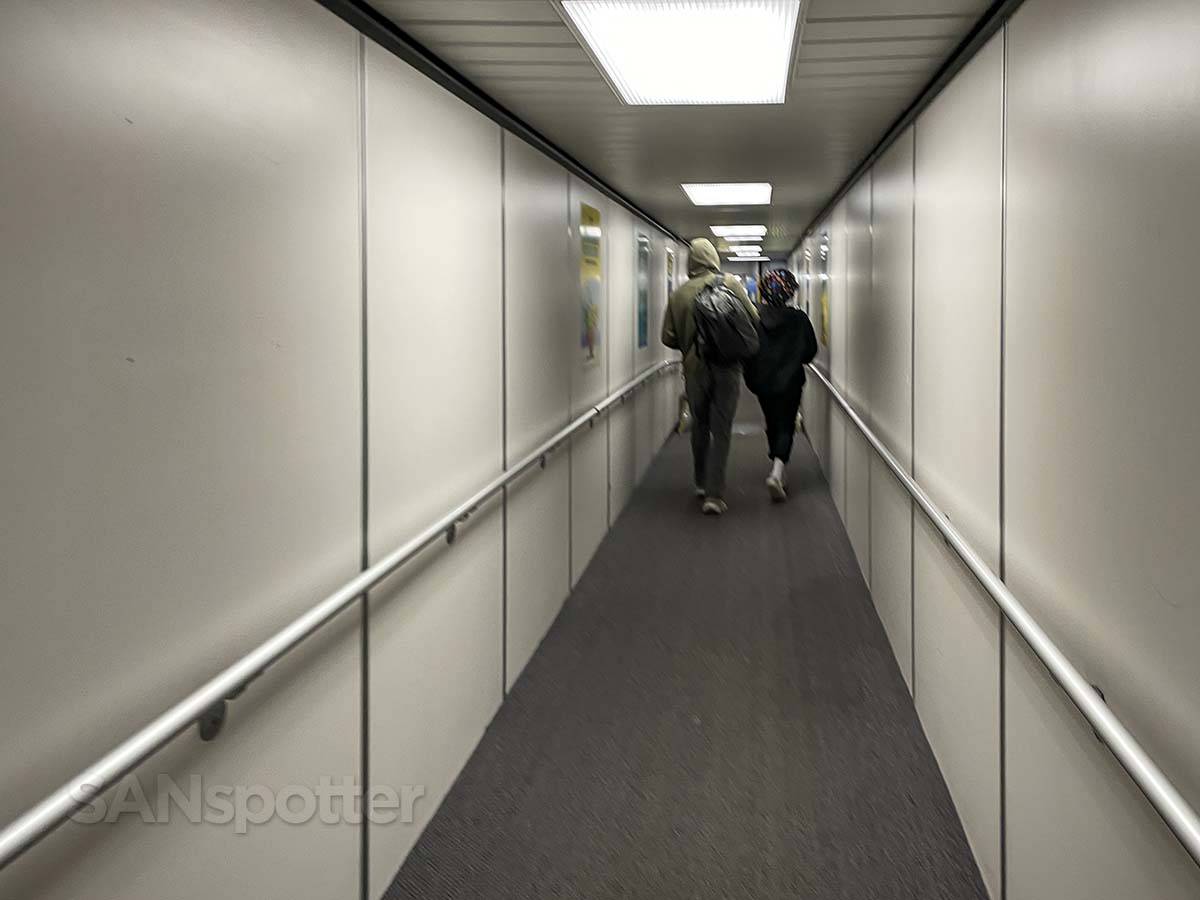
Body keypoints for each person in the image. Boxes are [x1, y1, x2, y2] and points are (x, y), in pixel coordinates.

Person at [662, 238, 758, 515]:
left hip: (694, 370)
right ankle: (715, 496)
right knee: (722, 428)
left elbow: (667, 336)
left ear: (690, 262)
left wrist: (688, 342)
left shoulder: (678, 295)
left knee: (700, 425)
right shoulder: (730, 283)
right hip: (728, 368)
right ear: (714, 258)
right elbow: (752, 319)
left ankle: (700, 481)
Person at [742, 269, 817, 502]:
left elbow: (748, 347)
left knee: (773, 421)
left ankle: (776, 461)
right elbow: (810, 352)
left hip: (762, 380)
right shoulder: (799, 319)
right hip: (791, 381)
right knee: (786, 424)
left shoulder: (754, 317)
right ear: (790, 292)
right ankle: (777, 470)